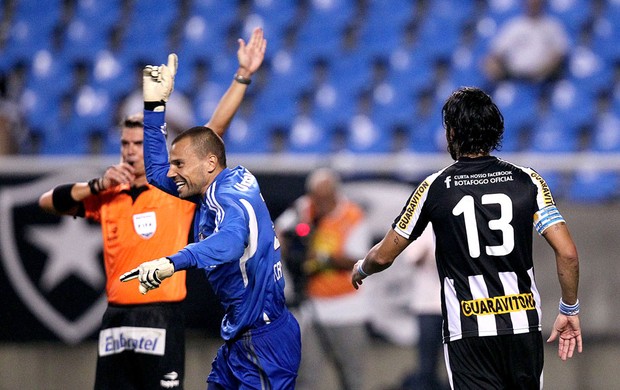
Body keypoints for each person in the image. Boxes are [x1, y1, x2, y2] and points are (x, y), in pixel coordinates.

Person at [38, 27, 267, 389]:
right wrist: (96, 185)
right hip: (115, 317)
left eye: (139, 142)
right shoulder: (110, 192)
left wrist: (243, 76)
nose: (131, 150)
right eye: (126, 142)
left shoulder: (177, 189)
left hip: (162, 314)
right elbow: (47, 202)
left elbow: (215, 129)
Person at [352, 86, 582, 389]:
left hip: (469, 329)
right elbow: (567, 254)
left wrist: (362, 268)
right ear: (495, 130)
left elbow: (383, 255)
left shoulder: (434, 188)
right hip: (522, 326)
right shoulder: (528, 179)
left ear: (451, 133)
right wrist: (568, 308)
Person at [120, 44, 301, 389]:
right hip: (243, 336)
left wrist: (170, 263)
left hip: (264, 340)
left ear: (209, 164)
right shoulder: (212, 181)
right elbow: (160, 170)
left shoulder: (229, 196)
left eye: (180, 165)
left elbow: (230, 244)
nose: (172, 173)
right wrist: (155, 109)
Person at [274, 167, 371, 390]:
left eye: (325, 198)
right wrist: (287, 248)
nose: (320, 204)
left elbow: (357, 260)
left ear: (336, 194)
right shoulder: (304, 207)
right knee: (306, 375)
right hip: (311, 306)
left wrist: (320, 258)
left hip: (347, 308)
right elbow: (277, 231)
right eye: (316, 198)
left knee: (351, 376)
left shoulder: (352, 215)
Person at [400, 224, 447, 390]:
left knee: (460, 363)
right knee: (427, 363)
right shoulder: (422, 226)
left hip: (455, 306)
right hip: (427, 307)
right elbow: (414, 258)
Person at [483, 0, 569, 84]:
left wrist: (543, 71)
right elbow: (495, 53)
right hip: (513, 78)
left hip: (542, 81)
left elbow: (560, 55)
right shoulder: (514, 26)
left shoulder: (552, 27)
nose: (533, 4)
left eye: (536, 2)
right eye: (530, 2)